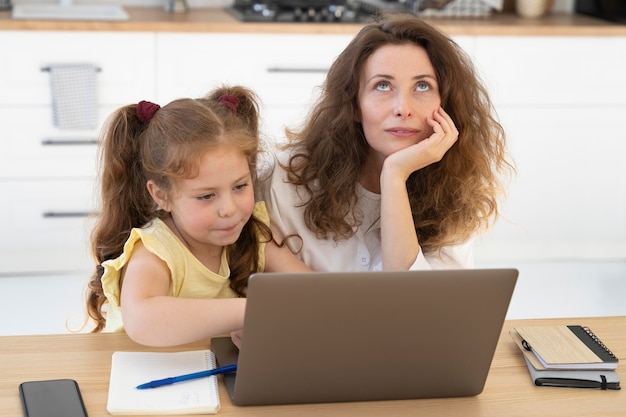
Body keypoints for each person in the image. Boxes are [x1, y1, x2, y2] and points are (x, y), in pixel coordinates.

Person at [259, 12, 514, 272]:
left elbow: (417, 303)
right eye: (382, 85)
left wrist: (395, 175)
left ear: (446, 106)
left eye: (423, 86)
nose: (403, 108)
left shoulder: (456, 189)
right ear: (353, 105)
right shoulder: (287, 179)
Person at [86, 85, 309, 347]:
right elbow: (142, 320)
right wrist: (250, 312)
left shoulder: (254, 234)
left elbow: (313, 292)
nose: (230, 208)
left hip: (212, 373)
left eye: (240, 186)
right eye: (206, 196)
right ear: (161, 195)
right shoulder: (155, 250)